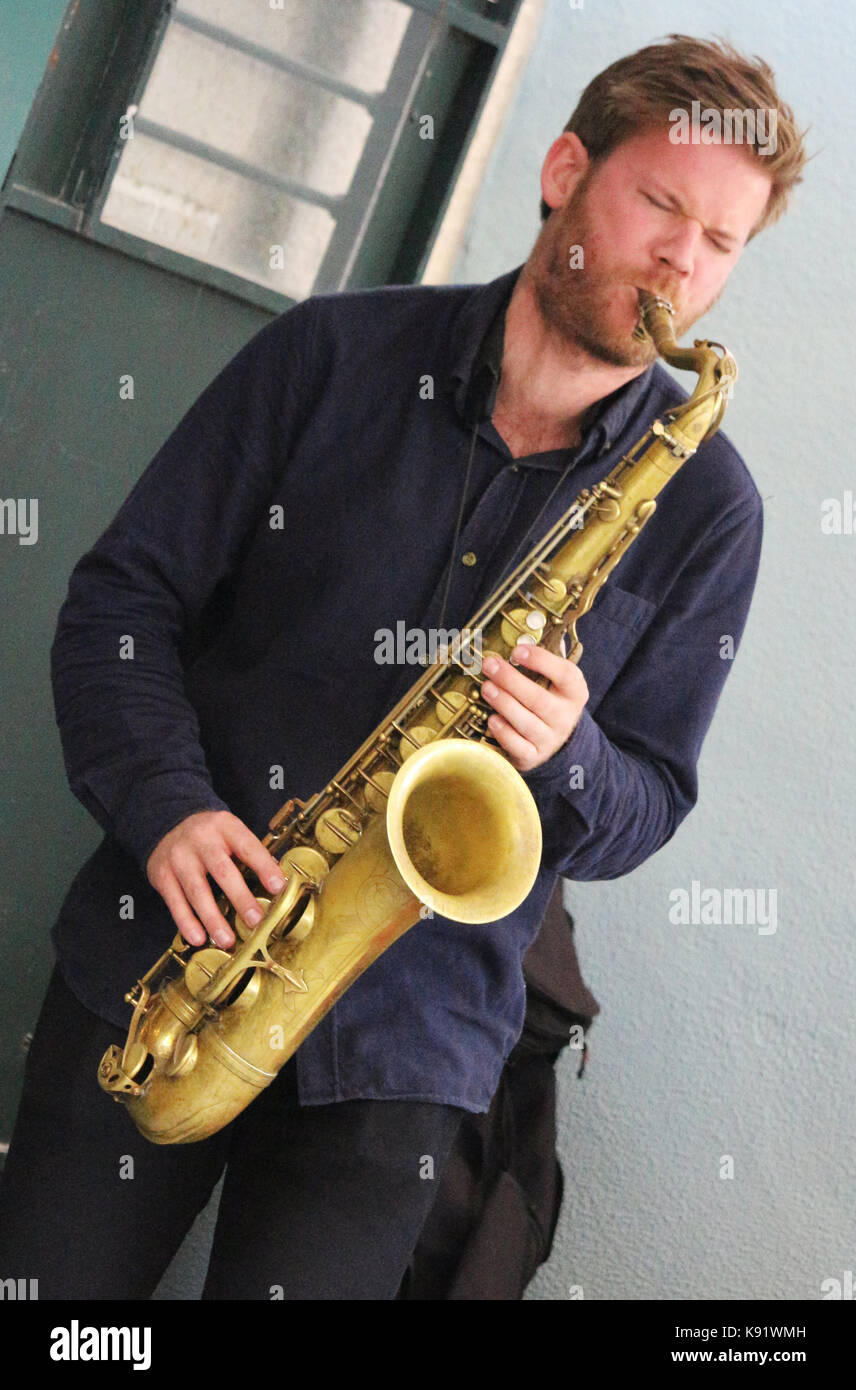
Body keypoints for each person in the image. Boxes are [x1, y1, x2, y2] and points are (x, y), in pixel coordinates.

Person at [0, 35, 806, 1300]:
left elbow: (647, 800)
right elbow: (120, 601)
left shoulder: (708, 508)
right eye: (660, 204)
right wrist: (168, 808)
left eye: (720, 243)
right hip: (166, 964)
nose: (681, 263)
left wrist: (573, 753)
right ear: (563, 169)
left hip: (402, 1060)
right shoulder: (328, 356)